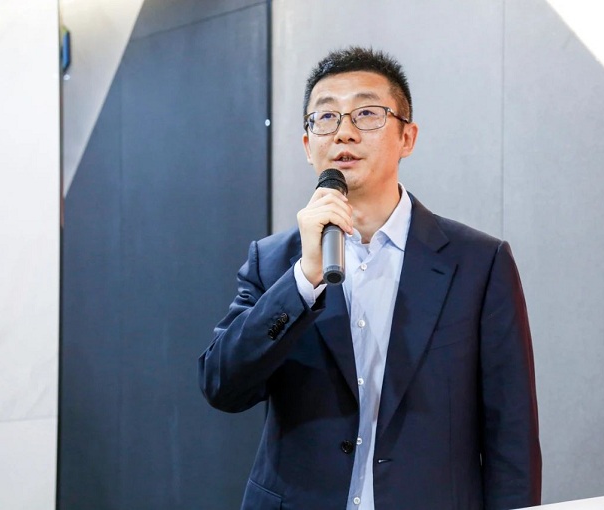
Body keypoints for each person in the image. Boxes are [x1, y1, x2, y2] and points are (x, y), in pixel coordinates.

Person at [199, 46, 541, 510]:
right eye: (326, 117)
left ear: (407, 137)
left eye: (366, 113)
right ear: (308, 146)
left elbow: (511, 436)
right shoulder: (274, 263)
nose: (344, 131)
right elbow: (223, 386)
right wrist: (303, 280)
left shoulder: (479, 263)